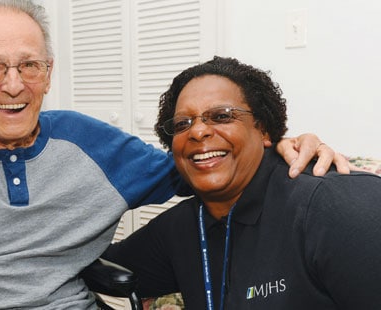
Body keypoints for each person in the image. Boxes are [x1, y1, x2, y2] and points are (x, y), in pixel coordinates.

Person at [0, 1, 347, 309]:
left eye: (29, 65)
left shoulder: (91, 143)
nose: (13, 85)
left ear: (49, 73)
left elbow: (199, 163)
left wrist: (278, 144)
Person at [101, 56, 381, 309]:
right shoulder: (180, 227)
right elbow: (90, 265)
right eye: (182, 124)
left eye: (221, 116)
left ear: (264, 130)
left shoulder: (332, 206)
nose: (197, 131)